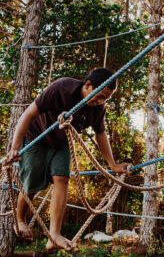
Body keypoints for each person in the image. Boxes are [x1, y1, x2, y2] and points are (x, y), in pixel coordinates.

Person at [6, 68, 130, 251]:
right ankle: (20, 219)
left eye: (105, 99)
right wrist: (15, 148)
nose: (100, 102)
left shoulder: (98, 109)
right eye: (99, 95)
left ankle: (53, 236)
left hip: (60, 143)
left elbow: (101, 134)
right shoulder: (61, 88)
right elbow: (28, 114)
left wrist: (113, 165)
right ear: (87, 85)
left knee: (62, 179)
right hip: (36, 136)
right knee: (31, 182)